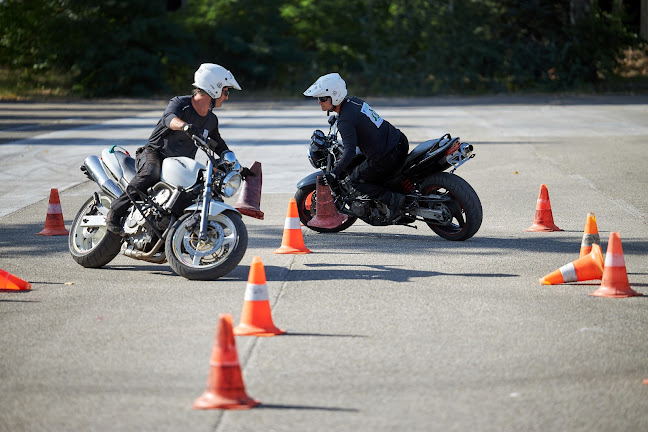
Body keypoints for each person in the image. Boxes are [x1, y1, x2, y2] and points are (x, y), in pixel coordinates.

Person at [106, 63, 252, 233]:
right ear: (214, 89)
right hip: (155, 153)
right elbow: (169, 118)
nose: (226, 97)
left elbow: (219, 146)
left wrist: (239, 168)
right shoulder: (180, 103)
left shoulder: (211, 120)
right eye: (226, 92)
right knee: (151, 171)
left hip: (179, 164)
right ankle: (115, 212)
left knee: (201, 187)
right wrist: (184, 126)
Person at [303, 72, 409, 220]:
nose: (319, 102)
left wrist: (334, 173)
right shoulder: (354, 102)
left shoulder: (345, 121)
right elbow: (362, 121)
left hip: (387, 155)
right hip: (399, 141)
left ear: (335, 96)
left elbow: (350, 151)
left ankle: (393, 199)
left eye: (322, 98)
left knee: (355, 180)